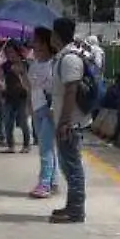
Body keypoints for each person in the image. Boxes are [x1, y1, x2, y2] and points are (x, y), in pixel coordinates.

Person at [50, 17, 88, 224]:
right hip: (65, 122)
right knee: (68, 166)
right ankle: (71, 206)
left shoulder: (70, 59)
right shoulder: (63, 57)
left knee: (73, 167)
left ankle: (76, 210)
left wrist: (64, 122)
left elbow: (71, 91)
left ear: (57, 34)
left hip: (70, 124)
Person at [24, 27, 59, 198]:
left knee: (45, 148)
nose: (34, 46)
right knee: (48, 148)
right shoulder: (34, 64)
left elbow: (57, 90)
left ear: (46, 44)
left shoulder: (55, 63)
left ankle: (44, 183)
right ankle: (53, 181)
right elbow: (30, 87)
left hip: (49, 110)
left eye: (37, 42)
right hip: (37, 108)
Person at [0, 40, 31, 153]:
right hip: (8, 97)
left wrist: (20, 74)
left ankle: (26, 145)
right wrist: (1, 84)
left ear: (18, 52)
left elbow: (29, 83)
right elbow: (2, 79)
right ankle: (10, 145)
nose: (10, 55)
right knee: (8, 122)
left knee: (23, 121)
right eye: (8, 53)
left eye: (12, 52)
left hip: (22, 97)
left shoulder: (26, 64)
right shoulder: (5, 66)